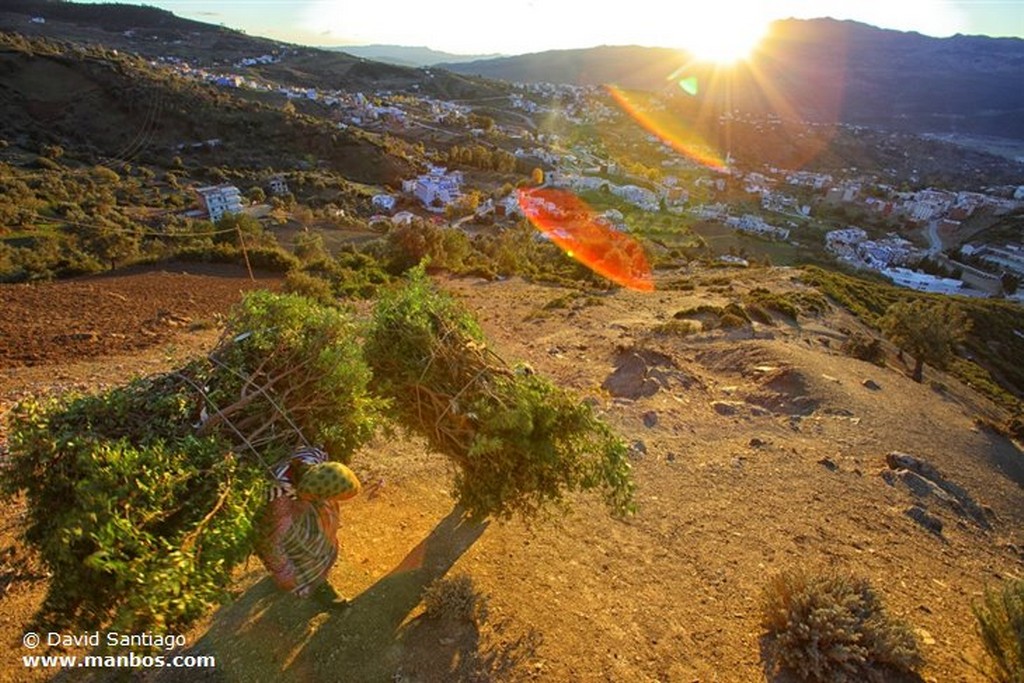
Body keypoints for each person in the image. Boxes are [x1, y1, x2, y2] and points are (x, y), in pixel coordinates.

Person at [253, 446, 361, 608]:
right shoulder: (278, 497)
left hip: (299, 504)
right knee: (308, 544)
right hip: (284, 520)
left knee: (326, 522)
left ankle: (317, 573)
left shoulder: (312, 462)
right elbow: (272, 541)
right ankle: (317, 584)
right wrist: (285, 573)